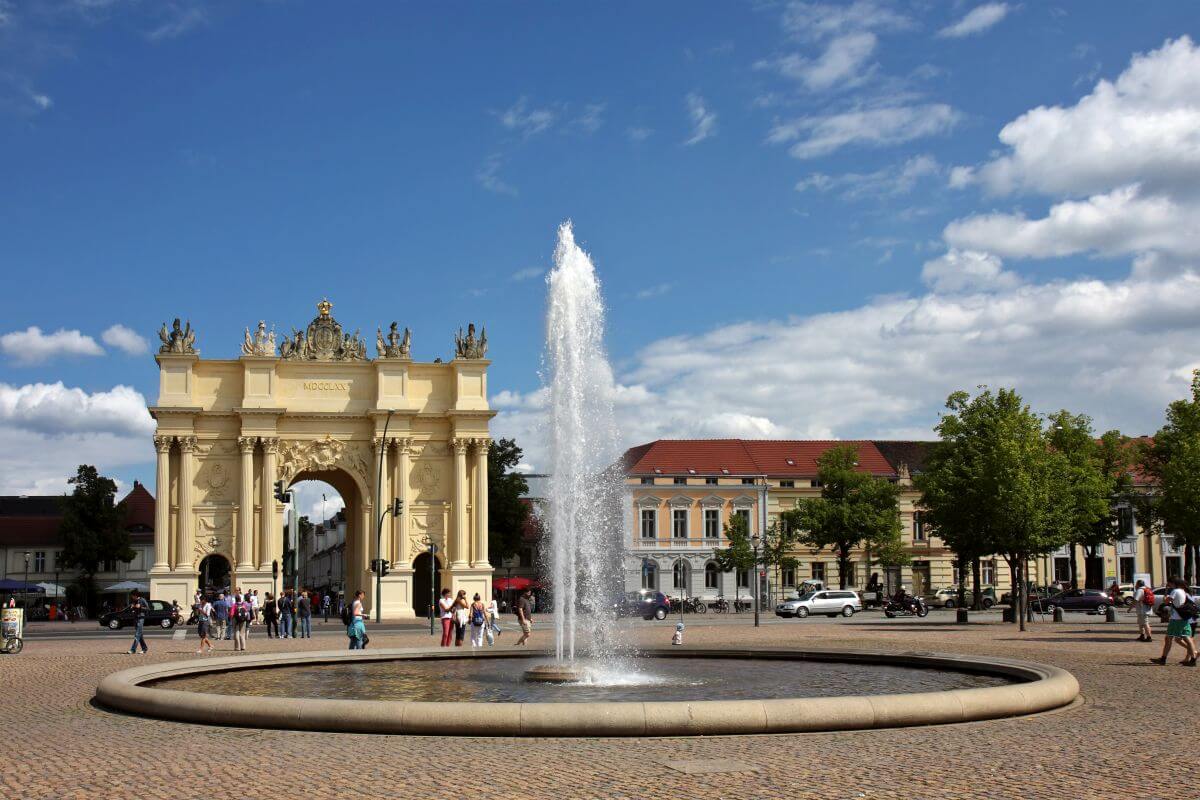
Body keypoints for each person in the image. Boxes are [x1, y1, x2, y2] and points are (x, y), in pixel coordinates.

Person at [1151, 577, 1197, 667]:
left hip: (1176, 619)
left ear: (1173, 583)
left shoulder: (1175, 591)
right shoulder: (1182, 591)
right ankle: (1193, 658)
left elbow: (1166, 601)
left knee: (1169, 638)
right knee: (1185, 638)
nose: (1169, 585)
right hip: (1183, 618)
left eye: (1169, 583)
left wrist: (1166, 592)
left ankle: (1163, 659)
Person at [126, 590, 149, 655]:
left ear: (136, 595)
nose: (132, 597)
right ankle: (144, 648)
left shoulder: (142, 600)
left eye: (132, 596)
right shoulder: (134, 601)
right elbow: (132, 609)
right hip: (135, 618)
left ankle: (133, 650)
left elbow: (148, 609)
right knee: (139, 635)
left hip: (141, 618)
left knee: (137, 634)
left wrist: (140, 607)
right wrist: (132, 607)